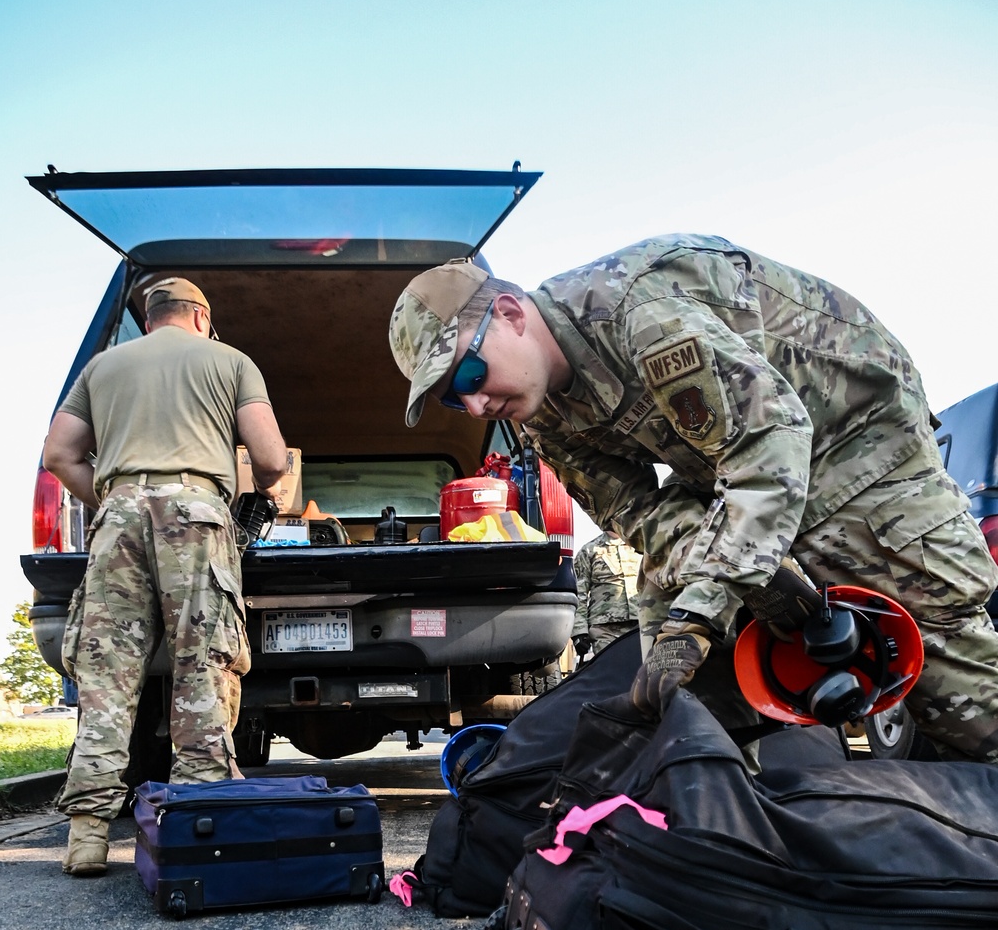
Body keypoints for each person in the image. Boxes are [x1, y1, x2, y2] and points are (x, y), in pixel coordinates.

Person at [388, 240, 998, 762]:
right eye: (451, 399)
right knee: (670, 621)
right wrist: (711, 593)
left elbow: (769, 444)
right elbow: (636, 512)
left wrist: (705, 606)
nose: (474, 406)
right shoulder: (542, 415)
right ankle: (717, 809)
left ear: (512, 313)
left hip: (858, 447)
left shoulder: (638, 313)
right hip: (741, 472)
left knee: (957, 693)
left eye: (468, 375)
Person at [43, 277, 287, 876]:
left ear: (147, 319)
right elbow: (274, 459)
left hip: (118, 512)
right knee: (201, 664)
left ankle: (88, 837)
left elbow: (59, 455)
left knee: (106, 675)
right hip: (196, 511)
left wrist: (111, 503)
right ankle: (200, 815)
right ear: (202, 317)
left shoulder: (102, 367)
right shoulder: (230, 361)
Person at [572, 530, 640, 659]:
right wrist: (579, 632)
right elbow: (579, 593)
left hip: (640, 626)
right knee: (611, 672)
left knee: (642, 674)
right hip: (605, 630)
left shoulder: (640, 546)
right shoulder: (590, 550)